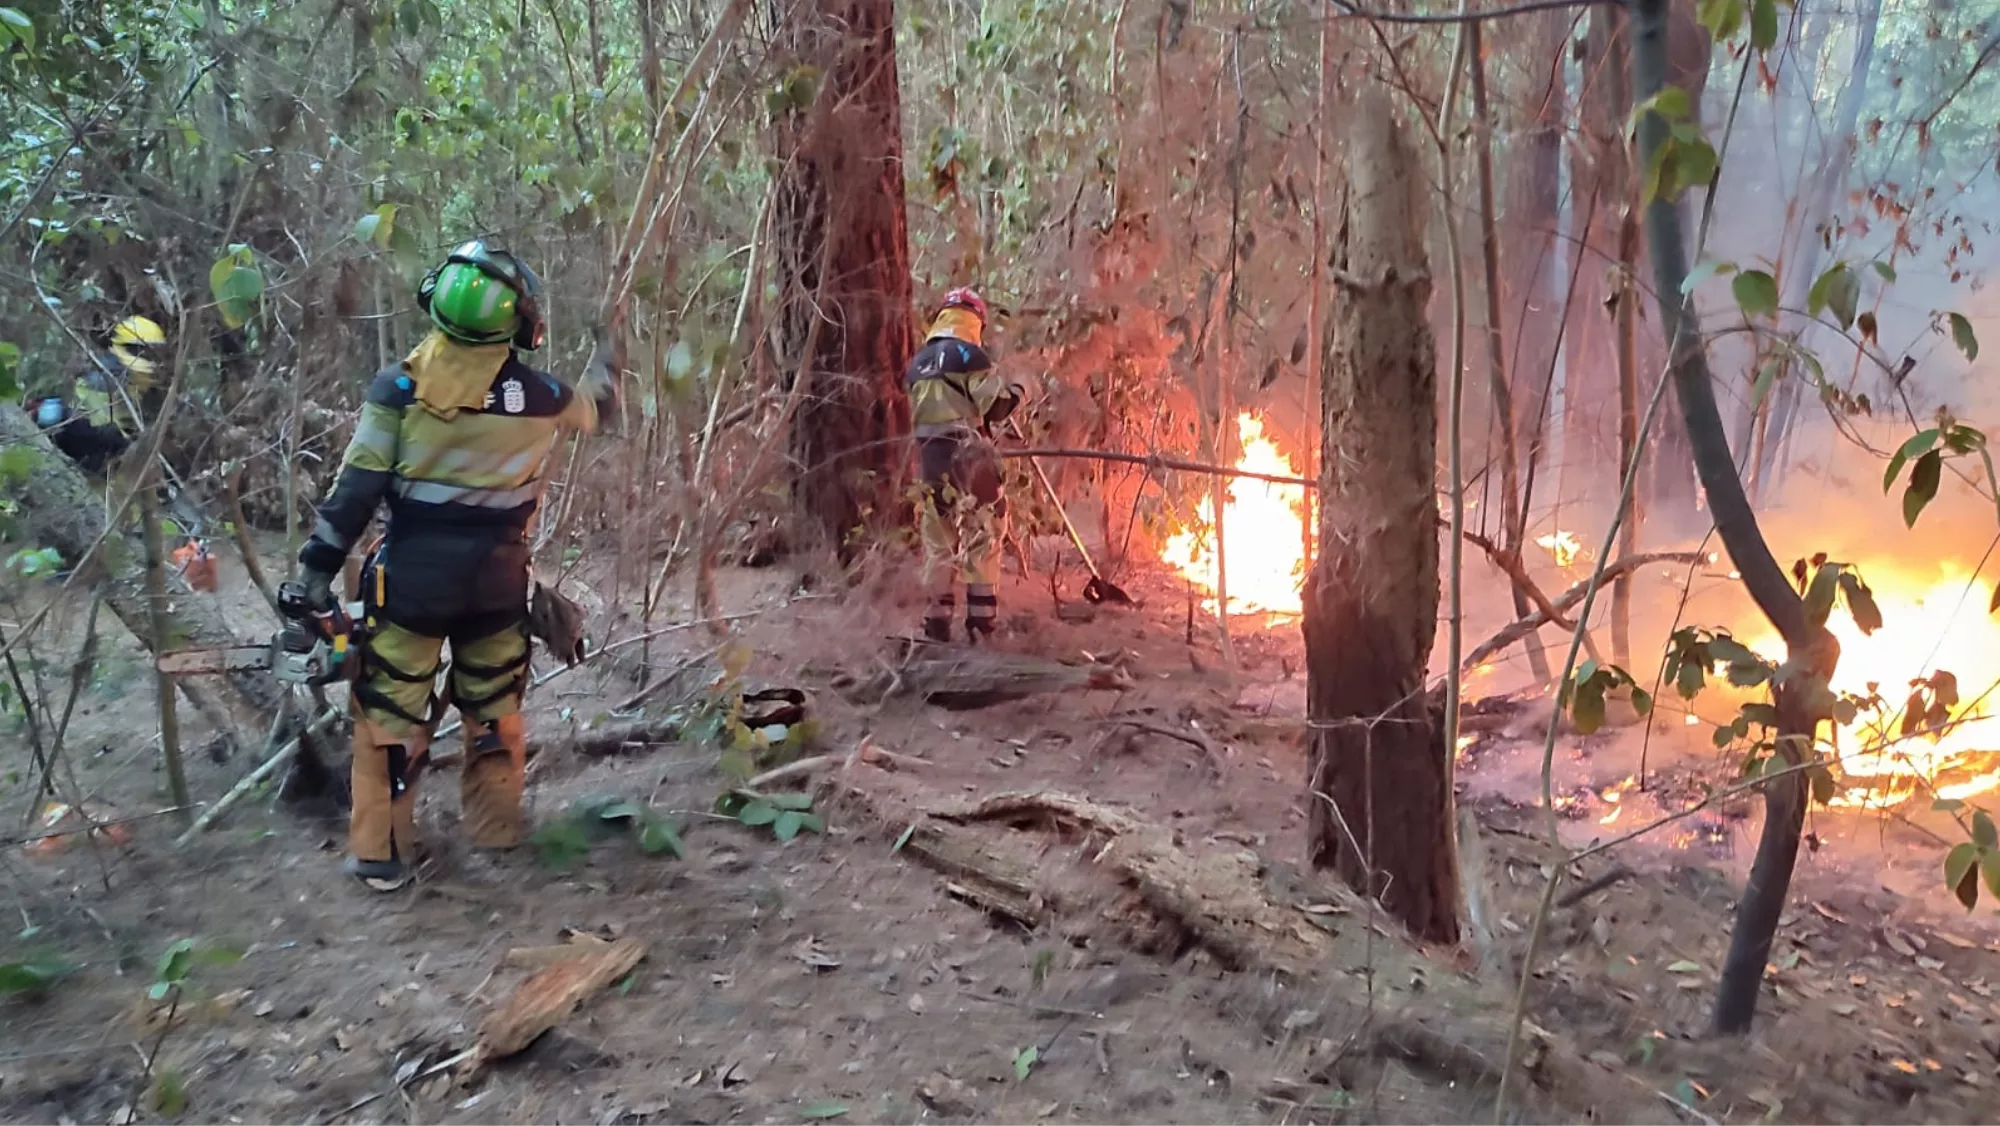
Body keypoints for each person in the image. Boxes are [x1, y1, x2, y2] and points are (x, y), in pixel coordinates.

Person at [292, 240, 617, 891]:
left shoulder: (399, 389)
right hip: (498, 587)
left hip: (412, 586)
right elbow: (600, 405)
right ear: (518, 323)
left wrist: (312, 576)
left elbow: (355, 491)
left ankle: (382, 853)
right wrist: (610, 353)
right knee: (494, 707)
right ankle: (496, 832)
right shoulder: (543, 395)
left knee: (389, 711)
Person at [904, 287, 1023, 643]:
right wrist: (1019, 390)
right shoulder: (969, 355)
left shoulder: (916, 364)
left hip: (930, 463)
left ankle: (937, 627)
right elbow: (997, 407)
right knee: (983, 534)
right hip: (971, 461)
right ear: (976, 321)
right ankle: (980, 625)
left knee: (939, 543)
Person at [33, 315, 166, 474]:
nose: (146, 356)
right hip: (79, 451)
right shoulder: (105, 374)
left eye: (150, 351)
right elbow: (86, 419)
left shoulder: (138, 381)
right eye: (140, 350)